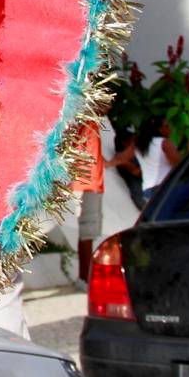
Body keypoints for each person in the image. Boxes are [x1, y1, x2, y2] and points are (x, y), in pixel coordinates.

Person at [73, 118, 114, 285]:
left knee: (88, 233)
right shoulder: (85, 122)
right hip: (86, 185)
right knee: (87, 233)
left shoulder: (90, 123)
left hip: (90, 185)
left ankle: (85, 277)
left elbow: (96, 157)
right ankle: (85, 278)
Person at [135, 117, 181, 205]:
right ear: (160, 129)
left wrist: (107, 163)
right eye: (167, 126)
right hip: (161, 189)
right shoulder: (165, 143)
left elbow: (120, 158)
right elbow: (180, 165)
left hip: (147, 191)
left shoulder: (139, 144)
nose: (170, 129)